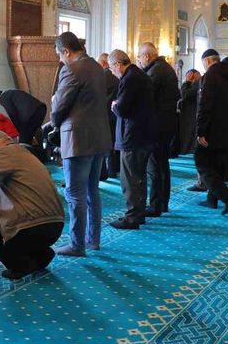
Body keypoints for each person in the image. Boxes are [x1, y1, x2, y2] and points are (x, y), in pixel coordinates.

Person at [0, 131, 65, 279]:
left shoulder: (3, 153)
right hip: (56, 226)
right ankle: (42, 254)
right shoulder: (27, 154)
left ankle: (20, 266)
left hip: (32, 228)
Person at [50, 32, 112, 257]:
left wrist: (54, 115)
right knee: (92, 191)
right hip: (99, 137)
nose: (60, 60)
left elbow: (60, 107)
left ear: (66, 51)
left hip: (78, 139)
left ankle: (77, 245)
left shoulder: (72, 69)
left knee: (74, 193)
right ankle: (92, 240)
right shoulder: (96, 66)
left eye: (60, 54)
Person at [108, 49, 155, 229]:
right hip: (144, 134)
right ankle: (139, 212)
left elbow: (123, 109)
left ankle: (132, 217)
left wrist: (114, 106)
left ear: (118, 64)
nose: (112, 72)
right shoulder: (140, 75)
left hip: (132, 136)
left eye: (112, 68)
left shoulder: (129, 79)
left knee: (129, 179)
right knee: (140, 176)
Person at [194, 49, 228, 215]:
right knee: (216, 166)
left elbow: (205, 106)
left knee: (203, 165)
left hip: (212, 130)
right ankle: (211, 199)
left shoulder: (210, 77)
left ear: (207, 61)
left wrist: (200, 131)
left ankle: (227, 196)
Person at [137, 42, 179, 216]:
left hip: (157, 126)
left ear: (147, 56)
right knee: (162, 165)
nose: (139, 61)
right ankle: (162, 203)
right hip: (167, 124)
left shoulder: (155, 71)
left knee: (155, 167)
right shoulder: (164, 68)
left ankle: (155, 205)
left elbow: (147, 98)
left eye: (139, 57)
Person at [97, 53, 120, 178]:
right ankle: (113, 170)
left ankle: (103, 173)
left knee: (102, 145)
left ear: (103, 63)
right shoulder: (117, 78)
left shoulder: (99, 78)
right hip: (115, 115)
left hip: (102, 116)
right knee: (113, 144)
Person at [175, 69, 201, 157]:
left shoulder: (198, 84)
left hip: (192, 115)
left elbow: (185, 94)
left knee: (189, 135)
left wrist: (188, 82)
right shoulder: (193, 85)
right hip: (187, 114)